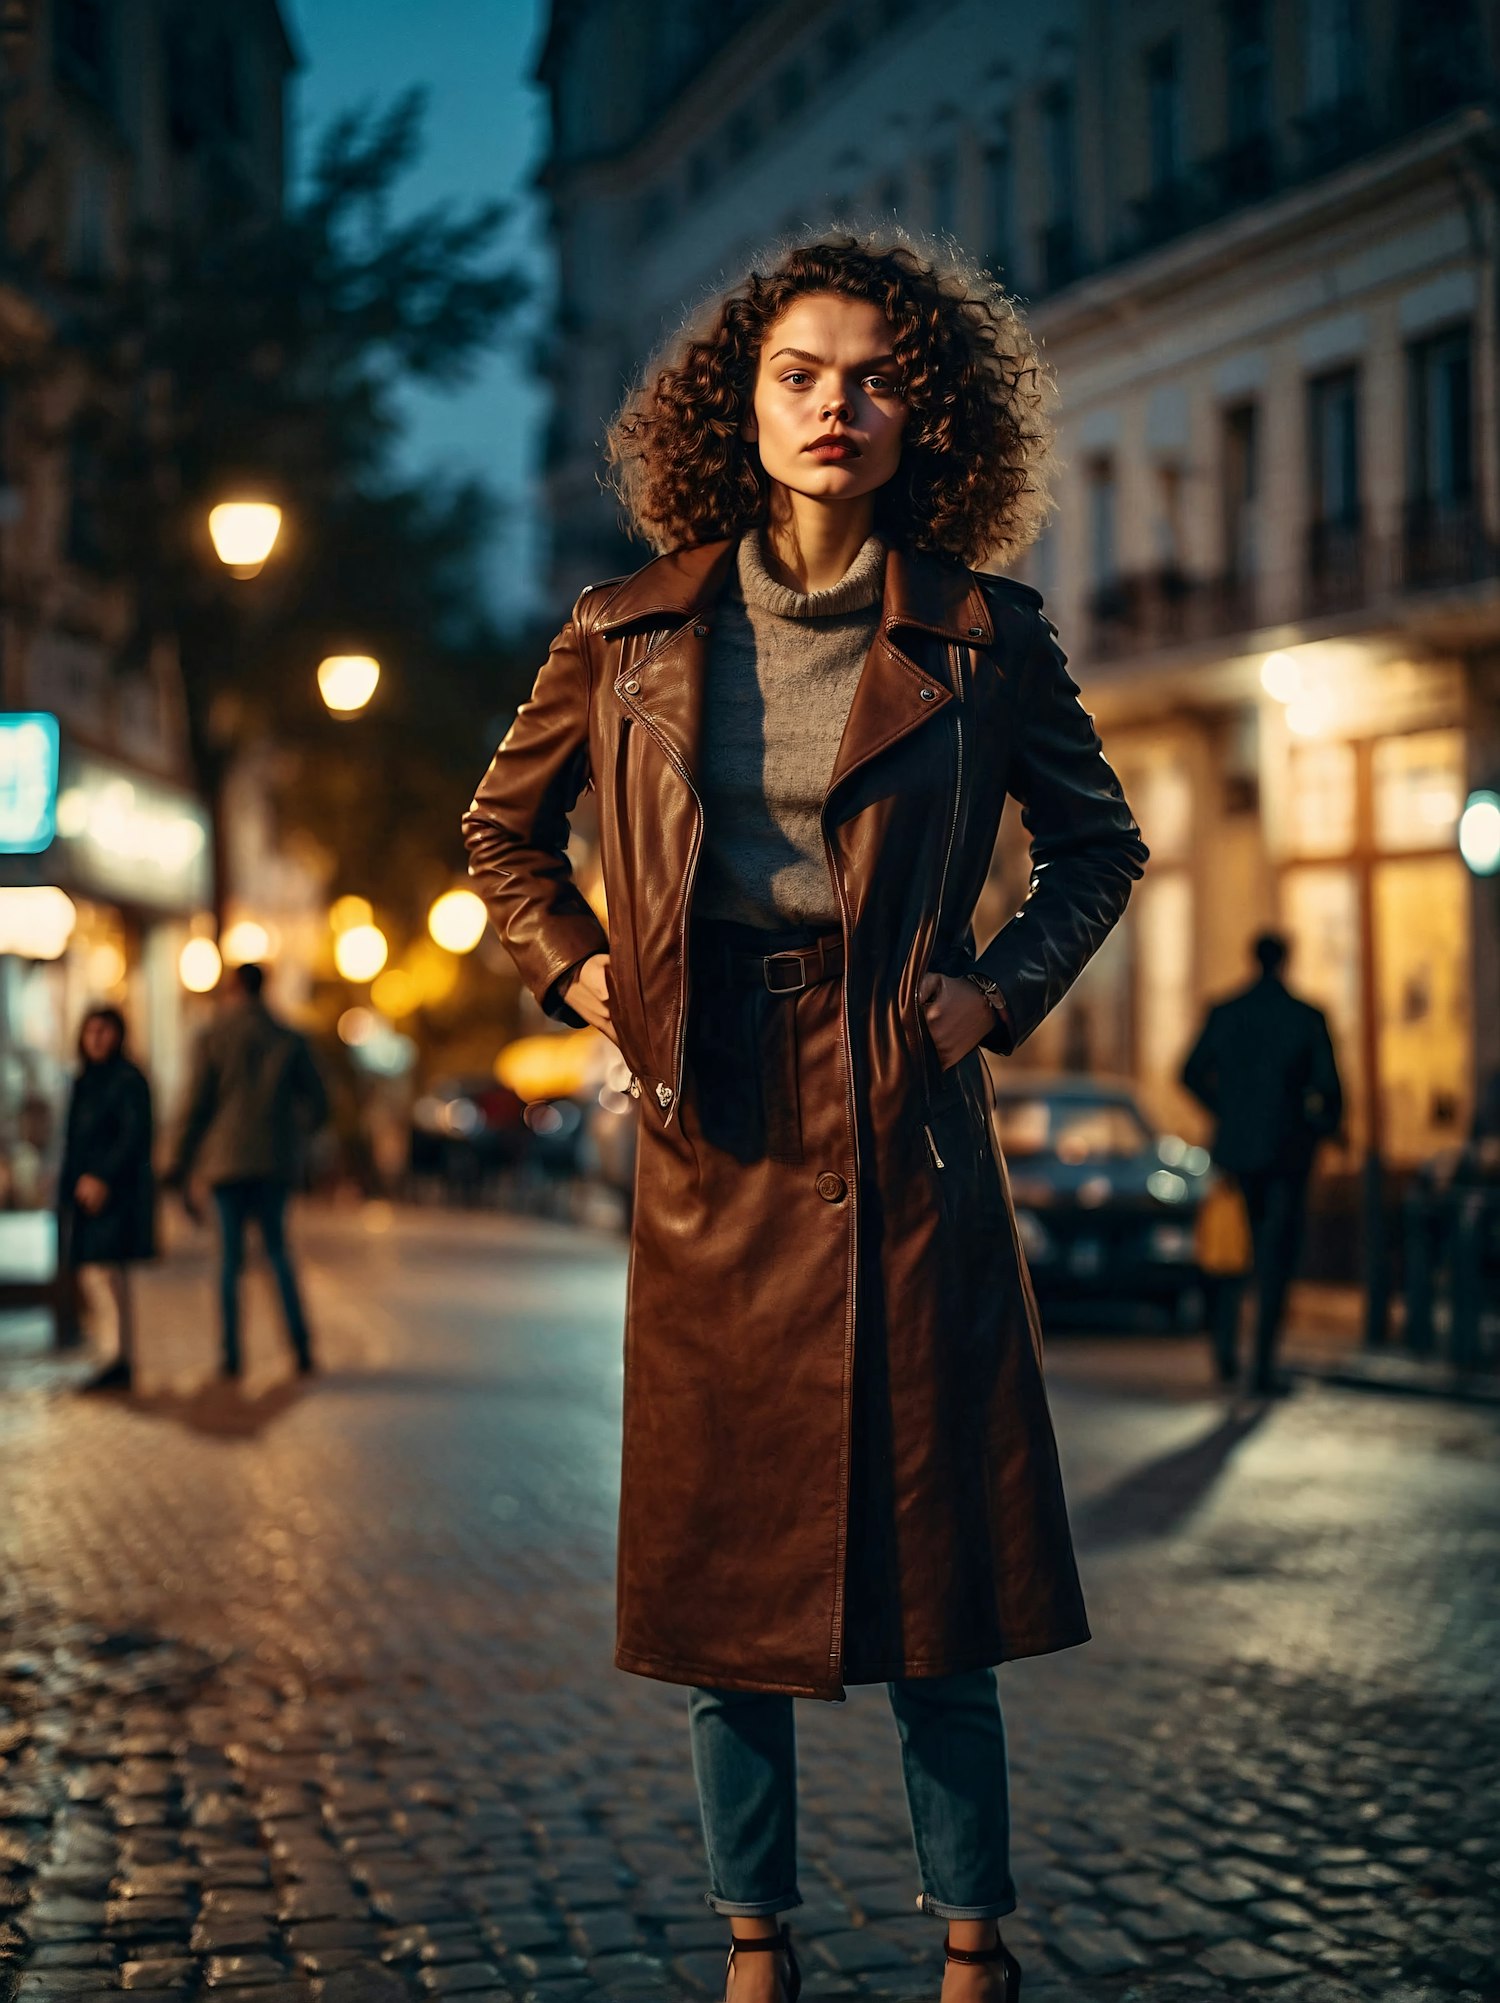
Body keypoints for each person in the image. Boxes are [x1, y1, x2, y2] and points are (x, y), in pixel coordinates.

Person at [462, 232, 1149, 2003]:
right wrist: (586, 976)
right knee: (723, 1580)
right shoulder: (626, 629)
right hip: (717, 1127)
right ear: (741, 405)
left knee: (945, 1570)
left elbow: (1098, 850)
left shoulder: (985, 639)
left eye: (870, 375)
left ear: (926, 412)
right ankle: (756, 1937)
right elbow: (501, 839)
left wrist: (994, 991)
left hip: (911, 1123)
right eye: (797, 374)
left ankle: (971, 1937)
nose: (833, 406)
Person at [1181, 931, 1343, 1396]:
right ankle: (1263, 1365)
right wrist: (1321, 1127)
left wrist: (1225, 1110)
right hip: (1288, 1155)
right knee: (1276, 1258)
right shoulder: (1305, 1018)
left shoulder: (1226, 1013)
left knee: (1234, 1252)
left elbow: (1189, 1072)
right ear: (1286, 961)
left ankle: (1228, 1352)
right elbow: (1330, 1090)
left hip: (1235, 1153)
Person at [164, 962, 329, 1380]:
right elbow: (321, 1104)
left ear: (234, 988)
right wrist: (294, 1135)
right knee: (277, 1252)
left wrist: (176, 1161)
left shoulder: (213, 1037)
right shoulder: (289, 1037)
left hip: (225, 1163)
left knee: (228, 1260)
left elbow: (195, 1104)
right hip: (275, 1162)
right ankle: (301, 1348)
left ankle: (231, 1356)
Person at [58, 1007, 155, 1392]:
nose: (97, 1038)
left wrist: (102, 1177)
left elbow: (133, 1136)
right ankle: (110, 1353)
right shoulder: (85, 1080)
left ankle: (116, 1358)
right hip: (85, 1192)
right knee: (94, 1273)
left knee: (107, 1273)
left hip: (113, 1196)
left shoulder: (127, 1080)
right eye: (90, 1031)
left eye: (104, 1030)